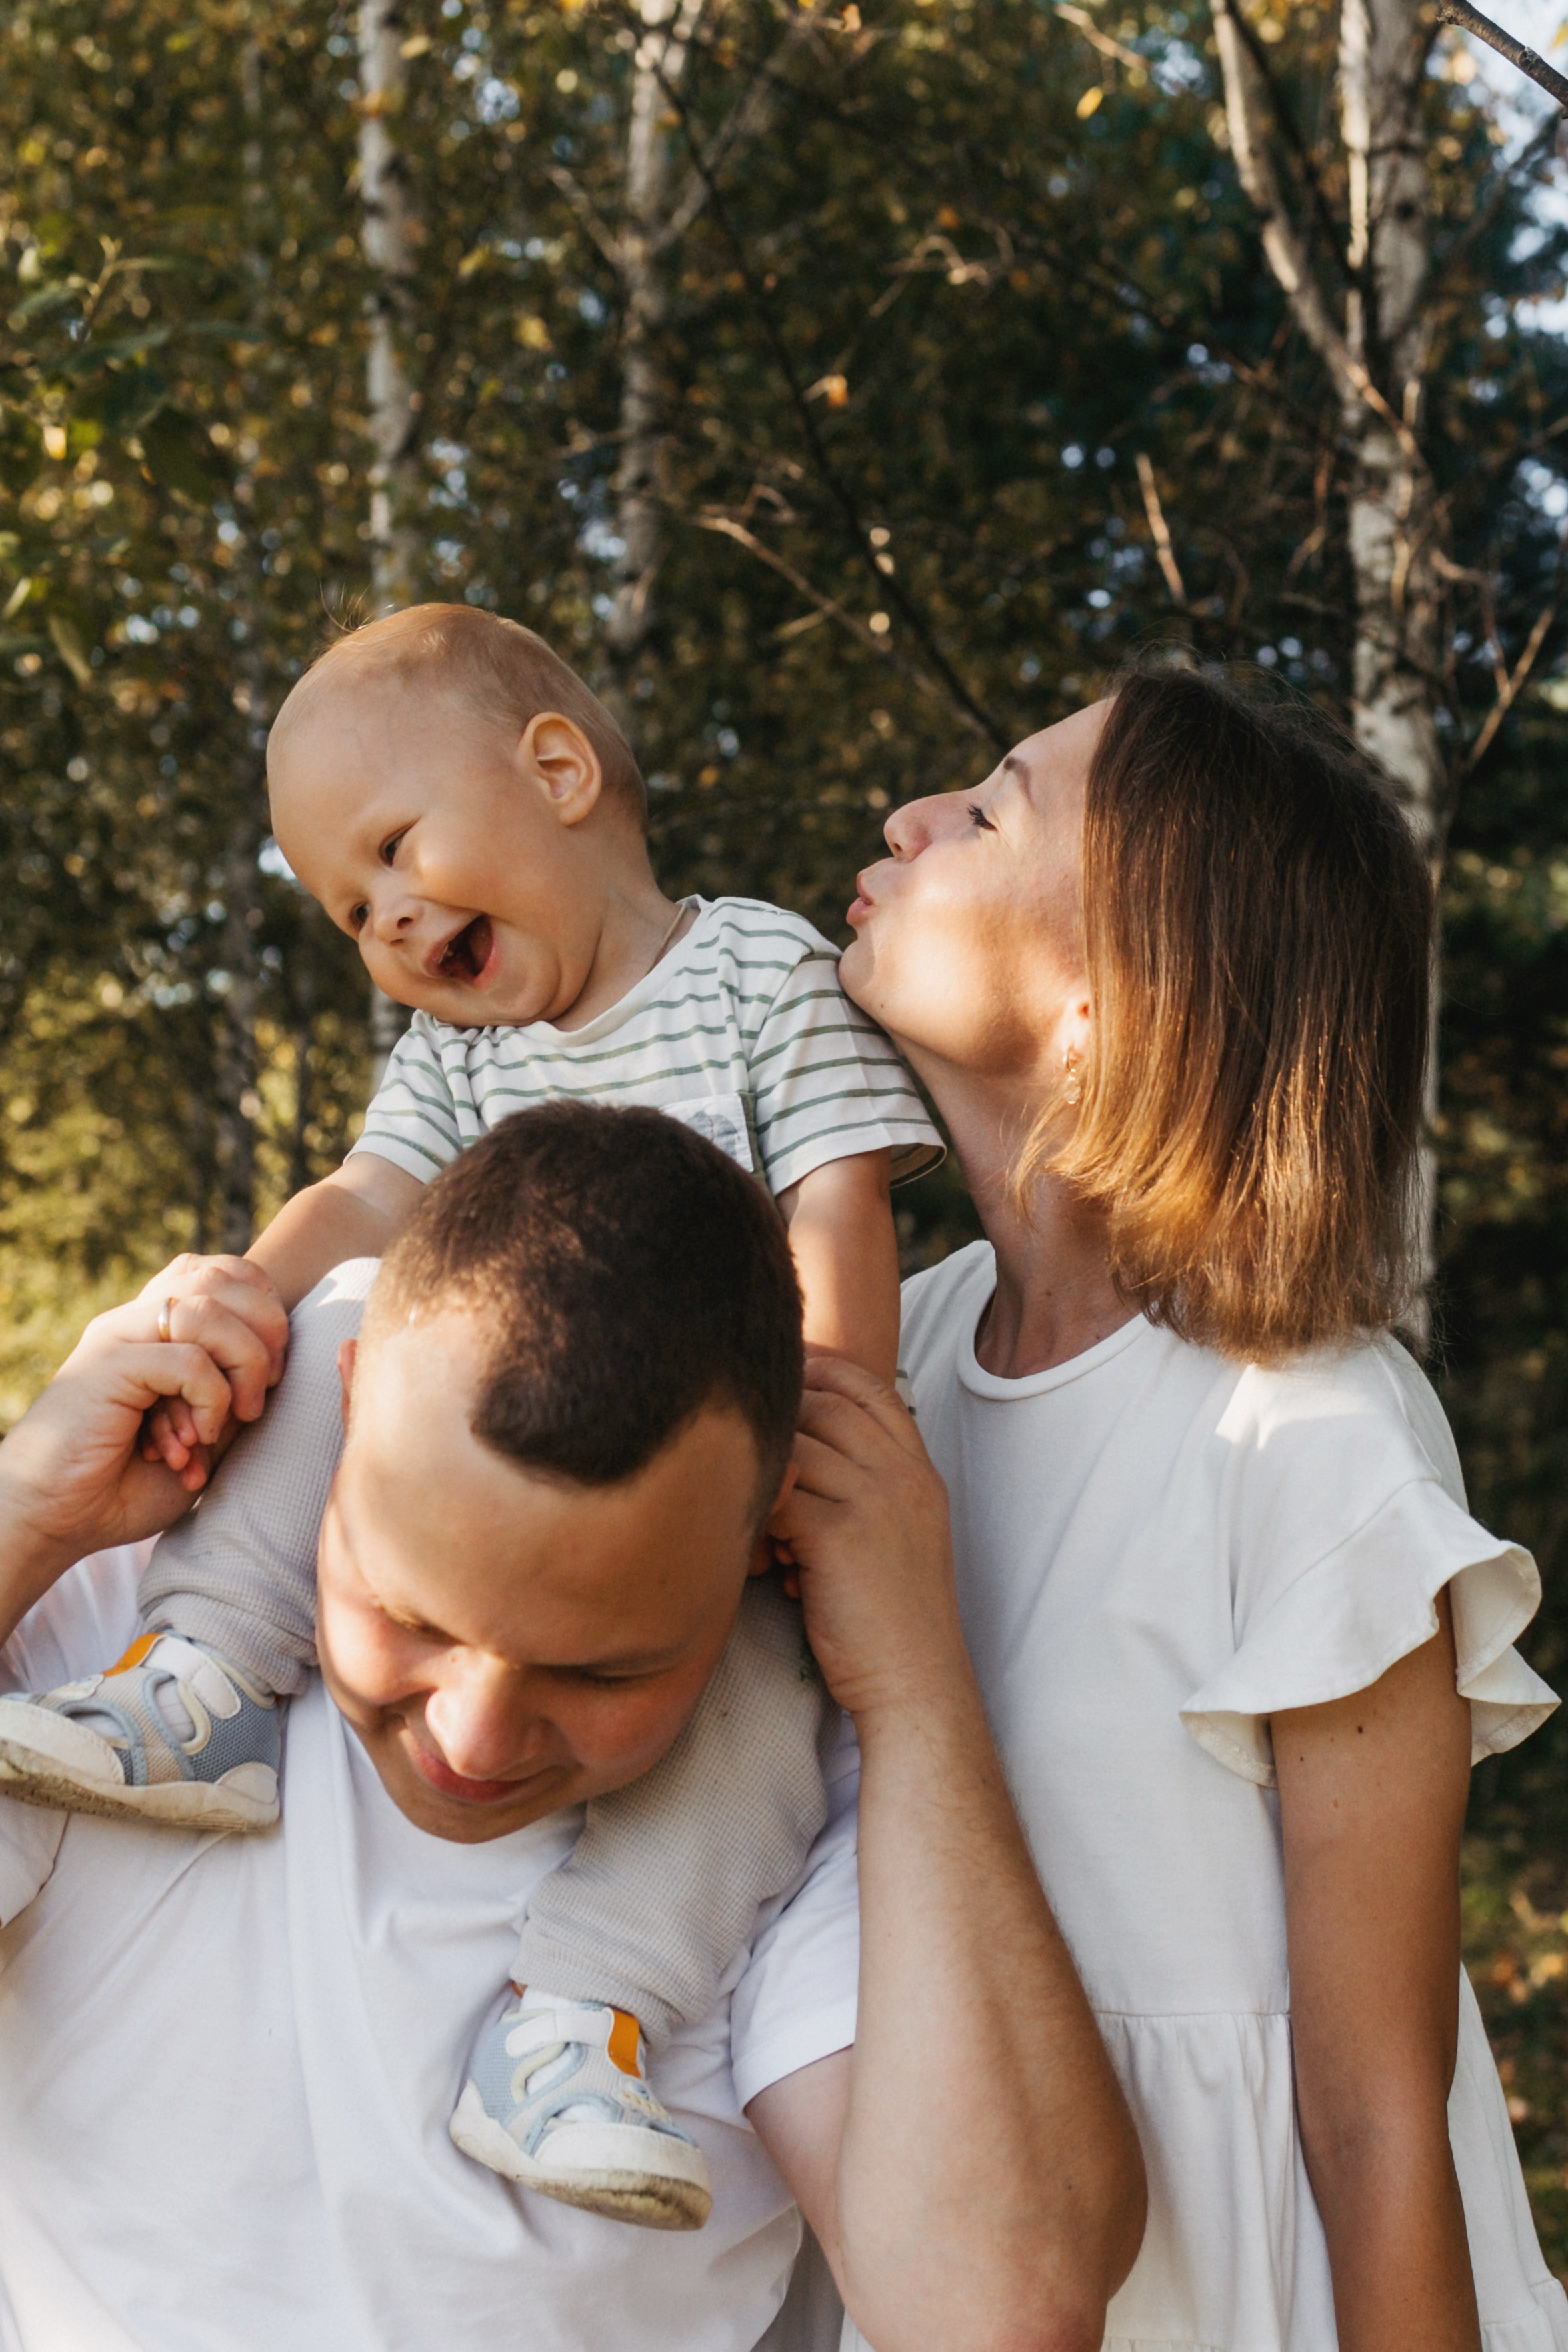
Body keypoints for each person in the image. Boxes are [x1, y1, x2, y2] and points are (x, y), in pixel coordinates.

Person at [0, 602, 942, 2223]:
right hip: (475, 1452)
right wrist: (238, 1292)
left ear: (558, 770)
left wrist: (819, 1444)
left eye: (392, 851)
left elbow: (835, 1213)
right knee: (348, 1332)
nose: (380, 921)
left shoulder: (754, 973)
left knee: (769, 1706)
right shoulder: (455, 1051)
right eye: (345, 906)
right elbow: (367, 1198)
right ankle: (206, 1677)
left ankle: (578, 2023)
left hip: (716, 1472)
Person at [0, 1104, 1145, 2352]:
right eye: (407, 1614)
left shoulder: (790, 1790)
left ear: (762, 1534)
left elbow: (995, 2312)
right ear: (349, 1392)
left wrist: (920, 1689)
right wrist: (22, 1516)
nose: (476, 1738)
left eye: (602, 1674)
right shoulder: (105, 1645)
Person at [838, 662, 1568, 2352]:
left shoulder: (1309, 1426)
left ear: (1114, 993)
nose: (911, 817)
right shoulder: (894, 1360)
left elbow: (1381, 2113)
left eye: (995, 805)